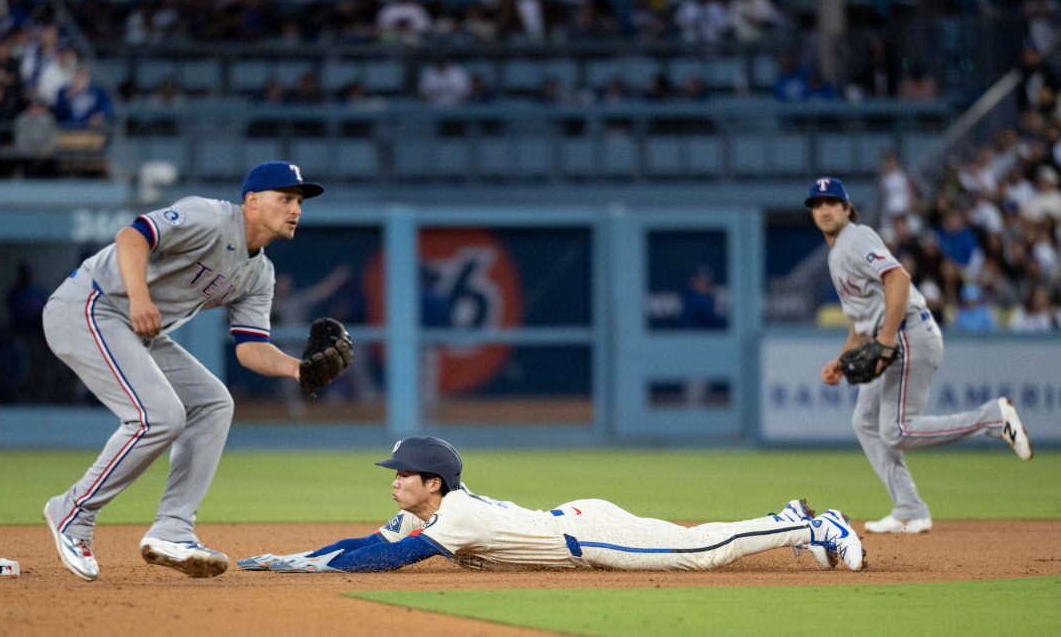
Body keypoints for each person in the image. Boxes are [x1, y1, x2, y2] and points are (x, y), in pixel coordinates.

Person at [41, 161, 344, 582]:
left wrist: (297, 370)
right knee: (159, 416)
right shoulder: (211, 217)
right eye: (286, 198)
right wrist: (139, 297)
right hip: (90, 305)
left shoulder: (260, 273)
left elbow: (251, 347)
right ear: (252, 201)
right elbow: (133, 235)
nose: (295, 209)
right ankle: (73, 512)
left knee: (214, 402)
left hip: (134, 327)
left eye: (299, 202)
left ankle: (172, 530)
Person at [238, 436, 865, 574]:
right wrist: (294, 556)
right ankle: (789, 522)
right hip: (575, 518)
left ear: (433, 482)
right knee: (692, 539)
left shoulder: (453, 516)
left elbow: (384, 562)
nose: (393, 482)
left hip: (585, 537)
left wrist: (311, 569)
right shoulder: (423, 511)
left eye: (402, 475)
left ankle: (807, 526)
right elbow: (363, 544)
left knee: (696, 552)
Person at [809, 177, 1033, 536]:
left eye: (831, 203)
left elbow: (897, 278)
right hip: (891, 336)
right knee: (865, 422)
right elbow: (859, 323)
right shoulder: (837, 255)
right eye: (817, 204)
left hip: (907, 332)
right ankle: (910, 508)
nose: (824, 209)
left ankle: (992, 418)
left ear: (847, 208)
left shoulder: (856, 236)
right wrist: (841, 359)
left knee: (896, 430)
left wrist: (884, 339)